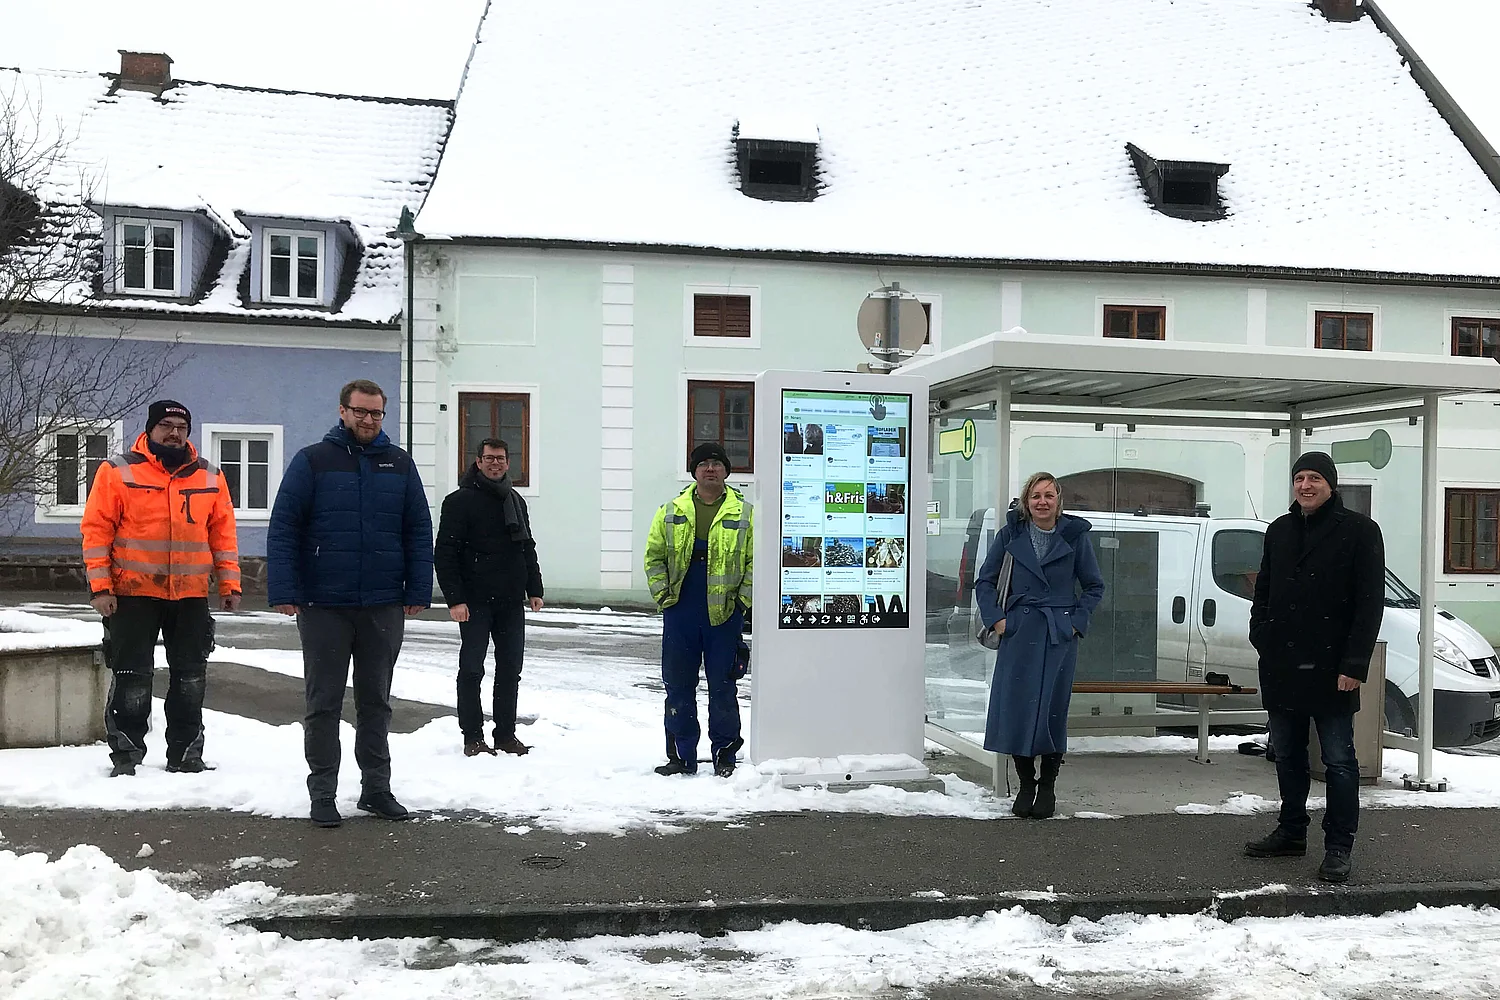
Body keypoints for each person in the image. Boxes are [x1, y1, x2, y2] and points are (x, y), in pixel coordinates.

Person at [267, 379, 433, 828]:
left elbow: (418, 529)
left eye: (376, 413)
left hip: (382, 603)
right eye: (360, 411)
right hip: (324, 604)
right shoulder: (313, 461)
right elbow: (285, 526)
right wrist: (284, 590)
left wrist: (418, 589)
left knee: (376, 701)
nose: (368, 420)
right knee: (323, 702)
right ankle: (323, 792)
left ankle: (376, 789)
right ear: (343, 411)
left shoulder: (398, 465)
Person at [81, 400, 242, 777]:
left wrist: (230, 581)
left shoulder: (210, 476)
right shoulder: (117, 471)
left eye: (181, 427)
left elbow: (223, 533)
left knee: (189, 679)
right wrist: (100, 587)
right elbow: (96, 531)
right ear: (150, 429)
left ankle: (185, 754)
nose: (174, 433)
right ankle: (127, 755)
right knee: (132, 678)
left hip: (189, 595)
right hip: (132, 593)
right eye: (166, 425)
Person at [1245, 452, 1384, 883]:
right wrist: (1261, 635)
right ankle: (1291, 832)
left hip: (1333, 669)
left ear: (1332, 484)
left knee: (1339, 761)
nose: (1305, 485)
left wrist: (1355, 664)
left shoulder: (1360, 531)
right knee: (1286, 754)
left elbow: (1369, 602)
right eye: (1299, 478)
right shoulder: (1280, 530)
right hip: (1283, 664)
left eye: (1315, 478)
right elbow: (1263, 588)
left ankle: (1339, 846)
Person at [973, 472, 1104, 819]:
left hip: (1058, 635)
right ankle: (1026, 783)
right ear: (1026, 502)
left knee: (1051, 711)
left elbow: (1094, 586)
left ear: (1059, 501)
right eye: (1035, 496)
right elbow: (985, 581)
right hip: (1019, 634)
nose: (1042, 502)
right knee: (1017, 710)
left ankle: (1048, 786)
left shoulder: (1076, 537)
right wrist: (999, 620)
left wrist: (1076, 623)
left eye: (1049, 495)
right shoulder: (1010, 534)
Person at [644, 442, 753, 777]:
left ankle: (725, 754)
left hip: (723, 614)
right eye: (704, 463)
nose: (710, 469)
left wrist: (742, 603)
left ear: (726, 471)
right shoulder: (671, 510)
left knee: (723, 686)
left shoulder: (746, 513)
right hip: (682, 610)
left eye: (717, 464)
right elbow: (654, 557)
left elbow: (755, 563)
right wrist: (665, 597)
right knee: (677, 685)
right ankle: (681, 756)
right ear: (694, 470)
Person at [434, 438, 544, 758]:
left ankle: (505, 735)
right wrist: (455, 599)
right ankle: (473, 737)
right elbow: (446, 553)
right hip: (474, 602)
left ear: (508, 463)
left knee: (510, 670)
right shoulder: (459, 501)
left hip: (511, 601)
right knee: (472, 669)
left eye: (501, 458)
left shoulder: (515, 501)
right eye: (489, 458)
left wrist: (534, 589)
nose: (495, 464)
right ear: (478, 462)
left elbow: (526, 547)